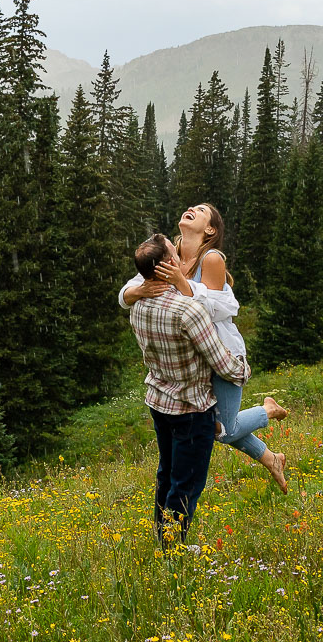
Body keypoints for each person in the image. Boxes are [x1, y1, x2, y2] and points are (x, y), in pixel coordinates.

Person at [121, 203, 288, 488]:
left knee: (222, 430)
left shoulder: (211, 259)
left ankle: (266, 411)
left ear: (210, 229)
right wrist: (141, 289)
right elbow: (126, 295)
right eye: (190, 207)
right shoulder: (168, 253)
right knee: (209, 428)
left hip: (222, 354)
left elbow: (223, 309)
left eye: (200, 210)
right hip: (192, 360)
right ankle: (272, 459)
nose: (190, 209)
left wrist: (180, 283)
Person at [127, 233, 249, 549]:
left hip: (160, 401)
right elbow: (221, 363)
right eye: (174, 253)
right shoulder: (187, 310)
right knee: (186, 484)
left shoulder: (137, 303)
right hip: (192, 409)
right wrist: (243, 370)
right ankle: (173, 550)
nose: (181, 256)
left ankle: (162, 539)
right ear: (168, 265)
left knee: (166, 475)